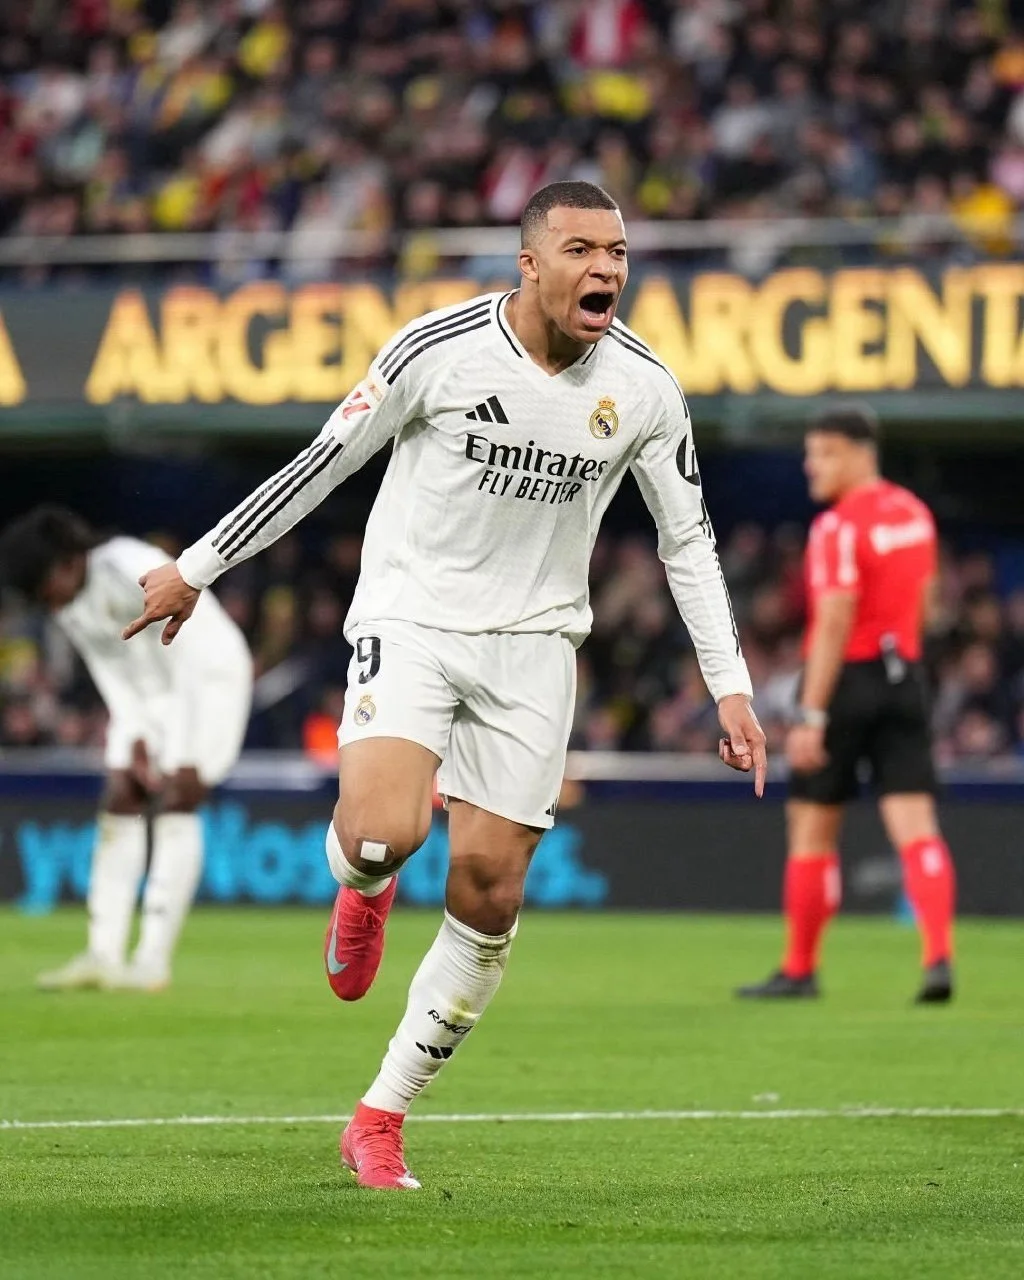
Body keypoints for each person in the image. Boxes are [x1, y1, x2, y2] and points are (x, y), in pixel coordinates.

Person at [123, 181, 766, 1190]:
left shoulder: (644, 387)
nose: (605, 268)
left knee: (491, 892)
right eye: (581, 249)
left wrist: (729, 683)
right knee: (385, 832)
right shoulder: (438, 349)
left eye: (617, 252)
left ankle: (380, 1115)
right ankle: (364, 885)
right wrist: (197, 566)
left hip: (535, 647)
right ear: (529, 262)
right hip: (413, 619)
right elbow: (322, 464)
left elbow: (687, 540)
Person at [738, 406, 956, 1005]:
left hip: (846, 682)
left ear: (862, 453)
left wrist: (811, 714)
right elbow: (927, 603)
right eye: (811, 454)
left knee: (812, 828)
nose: (813, 466)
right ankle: (938, 958)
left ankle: (799, 969)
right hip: (904, 674)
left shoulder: (837, 527)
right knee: (916, 827)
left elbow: (834, 619)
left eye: (825, 453)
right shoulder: (914, 514)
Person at [0, 506, 252, 991]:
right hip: (151, 692)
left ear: (68, 562)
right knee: (121, 794)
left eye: (44, 587)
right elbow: (110, 670)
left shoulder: (129, 566)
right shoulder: (66, 603)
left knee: (179, 795)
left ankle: (152, 962)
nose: (46, 602)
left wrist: (180, 749)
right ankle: (103, 955)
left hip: (210, 680)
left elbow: (191, 652)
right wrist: (134, 733)